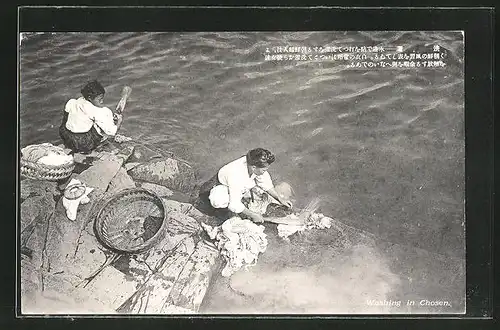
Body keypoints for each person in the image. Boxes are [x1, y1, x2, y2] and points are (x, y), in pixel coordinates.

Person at [196, 148, 293, 224]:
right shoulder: (236, 174)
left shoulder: (254, 165)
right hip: (221, 185)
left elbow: (266, 184)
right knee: (218, 201)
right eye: (263, 170)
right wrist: (254, 215)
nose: (265, 171)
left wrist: (280, 199)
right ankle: (220, 210)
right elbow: (234, 205)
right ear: (254, 167)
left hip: (238, 185)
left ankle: (242, 199)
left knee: (257, 190)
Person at [59, 80, 131, 154]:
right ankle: (100, 144)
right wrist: (119, 122)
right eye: (100, 99)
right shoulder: (99, 111)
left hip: (66, 137)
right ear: (90, 98)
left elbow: (65, 120)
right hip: (82, 144)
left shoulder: (72, 102)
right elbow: (112, 132)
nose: (102, 101)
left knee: (88, 120)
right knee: (102, 126)